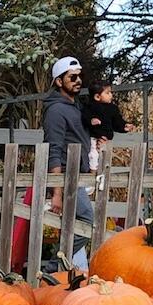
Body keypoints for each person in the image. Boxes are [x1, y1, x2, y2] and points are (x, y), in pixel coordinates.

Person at [42, 56, 95, 245]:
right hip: (66, 179)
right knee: (88, 221)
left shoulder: (76, 107)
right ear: (59, 81)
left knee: (74, 227)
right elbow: (53, 150)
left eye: (80, 77)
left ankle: (64, 270)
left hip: (78, 177)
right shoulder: (56, 111)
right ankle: (52, 269)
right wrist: (57, 192)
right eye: (72, 78)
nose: (78, 81)